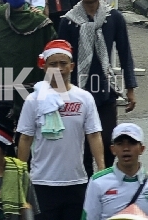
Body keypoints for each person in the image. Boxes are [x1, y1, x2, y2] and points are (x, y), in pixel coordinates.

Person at [59, 0, 137, 175]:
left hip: (105, 92)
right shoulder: (68, 22)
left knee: (107, 143)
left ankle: (109, 186)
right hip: (76, 92)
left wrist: (130, 88)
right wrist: (57, 91)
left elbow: (124, 52)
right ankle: (85, 193)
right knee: (81, 147)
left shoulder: (114, 18)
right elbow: (59, 59)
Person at [16, 39, 106, 220]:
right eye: (53, 64)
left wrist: (101, 169)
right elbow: (25, 139)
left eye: (63, 63)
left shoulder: (84, 98)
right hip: (42, 182)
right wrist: (20, 175)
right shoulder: (33, 101)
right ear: (44, 67)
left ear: (72, 66)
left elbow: (94, 135)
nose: (59, 68)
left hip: (76, 182)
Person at [82, 123, 148, 220]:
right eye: (120, 144)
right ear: (113, 149)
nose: (126, 149)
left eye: (132, 143)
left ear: (142, 149)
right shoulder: (97, 182)